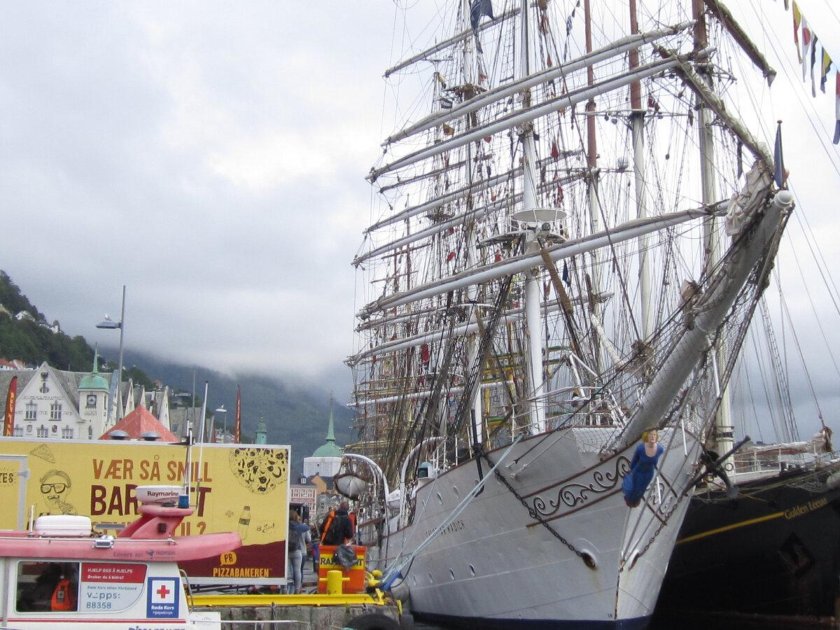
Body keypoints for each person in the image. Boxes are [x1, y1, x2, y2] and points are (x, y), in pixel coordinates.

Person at [622, 429, 664, 508]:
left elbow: (657, 462)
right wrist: (631, 472)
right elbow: (634, 462)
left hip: (649, 474)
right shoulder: (640, 449)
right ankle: (629, 501)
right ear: (646, 436)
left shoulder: (660, 449)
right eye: (650, 434)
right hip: (638, 472)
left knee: (641, 490)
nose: (653, 437)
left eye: (654, 435)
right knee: (634, 489)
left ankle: (636, 502)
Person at [287, 510, 311, 594]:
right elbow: (308, 538)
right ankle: (297, 589)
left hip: (287, 551)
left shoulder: (285, 525)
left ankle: (286, 589)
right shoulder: (299, 526)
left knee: (288, 571)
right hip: (298, 551)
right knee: (298, 571)